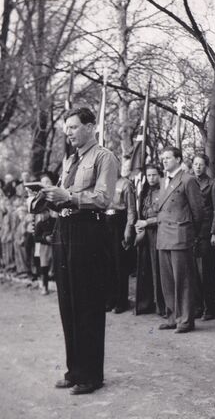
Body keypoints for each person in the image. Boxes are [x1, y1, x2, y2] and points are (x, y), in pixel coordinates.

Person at [29, 107, 118, 395]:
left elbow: (104, 198)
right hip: (64, 231)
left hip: (88, 232)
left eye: (74, 127)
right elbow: (63, 197)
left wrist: (69, 196)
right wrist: (46, 196)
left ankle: (91, 376)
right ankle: (74, 370)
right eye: (66, 128)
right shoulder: (70, 160)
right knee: (67, 302)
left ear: (91, 127)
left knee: (88, 302)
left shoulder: (104, 157)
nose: (69, 132)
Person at [156, 146, 203, 333]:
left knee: (182, 281)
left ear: (178, 159)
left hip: (180, 236)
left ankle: (185, 320)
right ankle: (172, 317)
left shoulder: (188, 179)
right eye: (163, 158)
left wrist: (191, 234)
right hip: (163, 236)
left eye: (168, 158)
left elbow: (198, 212)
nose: (164, 161)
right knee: (167, 281)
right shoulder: (163, 181)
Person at [192, 154, 215, 321]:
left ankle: (210, 308)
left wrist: (214, 232)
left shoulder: (213, 184)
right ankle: (198, 306)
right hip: (191, 233)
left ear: (206, 166)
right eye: (195, 164)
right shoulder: (189, 183)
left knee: (207, 273)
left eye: (201, 165)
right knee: (194, 273)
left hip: (206, 233)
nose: (198, 167)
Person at [105, 159, 136, 314]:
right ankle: (110, 298)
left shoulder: (126, 184)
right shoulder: (103, 183)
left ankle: (121, 301)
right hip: (105, 222)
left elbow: (131, 209)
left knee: (119, 263)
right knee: (107, 263)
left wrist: (128, 229)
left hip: (119, 222)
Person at [135, 164, 165, 316]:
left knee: (158, 269)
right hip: (145, 233)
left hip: (159, 232)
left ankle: (162, 306)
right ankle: (145, 304)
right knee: (145, 267)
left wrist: (148, 222)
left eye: (154, 175)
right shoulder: (144, 191)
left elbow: (165, 215)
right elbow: (140, 212)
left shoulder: (164, 191)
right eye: (149, 175)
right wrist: (139, 224)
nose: (151, 178)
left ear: (160, 175)